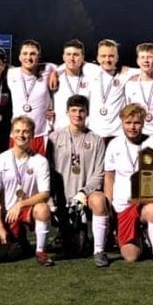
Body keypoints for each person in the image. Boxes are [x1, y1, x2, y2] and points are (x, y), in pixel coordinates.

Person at [104, 103, 153, 272]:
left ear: (143, 123)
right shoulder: (114, 145)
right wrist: (109, 206)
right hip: (123, 204)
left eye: (136, 123)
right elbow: (109, 176)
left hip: (145, 201)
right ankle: (141, 237)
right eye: (128, 123)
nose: (132, 127)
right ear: (121, 122)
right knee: (131, 256)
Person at [47, 94, 110, 266]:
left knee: (99, 200)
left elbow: (99, 173)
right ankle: (38, 246)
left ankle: (99, 250)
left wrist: (84, 192)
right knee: (72, 247)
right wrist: (52, 199)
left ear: (87, 113)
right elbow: (49, 171)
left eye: (81, 111)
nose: (77, 115)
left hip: (85, 197)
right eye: (73, 111)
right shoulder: (54, 138)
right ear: (66, 112)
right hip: (62, 197)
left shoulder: (96, 140)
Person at [0, 116, 54, 266]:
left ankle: (41, 251)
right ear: (11, 134)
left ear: (32, 135)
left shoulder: (40, 161)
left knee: (43, 209)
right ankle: (19, 239)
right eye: (17, 131)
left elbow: (45, 194)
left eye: (25, 132)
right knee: (0, 255)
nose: (21, 135)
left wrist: (20, 205)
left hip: (27, 209)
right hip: (6, 213)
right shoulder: (0, 159)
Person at [7, 40, 56, 155]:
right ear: (19, 57)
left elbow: (65, 67)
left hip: (40, 135)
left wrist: (55, 73)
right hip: (16, 135)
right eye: (25, 53)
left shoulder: (47, 71)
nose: (28, 57)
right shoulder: (10, 74)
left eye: (32, 54)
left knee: (40, 170)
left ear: (38, 57)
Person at [124, 42, 153, 149]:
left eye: (150, 57)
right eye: (142, 57)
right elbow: (128, 111)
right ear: (137, 61)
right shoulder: (130, 84)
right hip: (139, 135)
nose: (146, 60)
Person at [51, 39, 92, 130]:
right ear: (63, 57)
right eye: (68, 54)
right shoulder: (54, 79)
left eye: (76, 55)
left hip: (84, 132)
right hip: (60, 131)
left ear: (82, 58)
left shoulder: (91, 77)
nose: (72, 58)